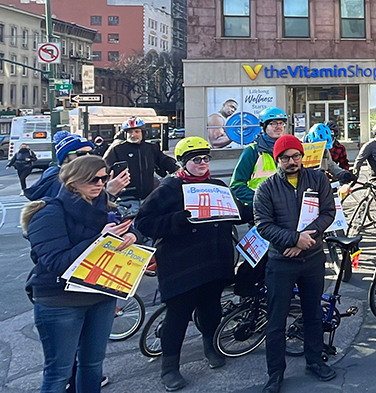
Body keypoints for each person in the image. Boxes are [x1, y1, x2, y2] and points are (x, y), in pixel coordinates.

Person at [23, 155, 141, 393]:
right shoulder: (49, 212)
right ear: (72, 182)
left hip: (101, 296)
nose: (100, 183)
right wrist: (100, 240)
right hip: (60, 300)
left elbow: (135, 231)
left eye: (103, 178)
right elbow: (56, 262)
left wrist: (133, 236)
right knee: (59, 373)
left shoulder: (107, 206)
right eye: (93, 179)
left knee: (92, 365)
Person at [136, 138, 239, 391]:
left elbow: (232, 213)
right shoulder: (169, 188)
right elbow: (144, 222)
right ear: (184, 163)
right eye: (196, 160)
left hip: (213, 260)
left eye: (206, 159)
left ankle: (210, 348)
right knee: (177, 317)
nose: (203, 164)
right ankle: (169, 368)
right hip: (182, 265)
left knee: (211, 309)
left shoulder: (216, 185)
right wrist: (176, 220)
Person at [253, 135, 336, 393]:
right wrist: (292, 239)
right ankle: (275, 374)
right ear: (277, 160)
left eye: (296, 156)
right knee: (276, 321)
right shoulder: (266, 188)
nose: (292, 162)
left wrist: (304, 240)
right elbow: (263, 225)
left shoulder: (318, 179)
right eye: (286, 158)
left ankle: (314, 361)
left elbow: (328, 213)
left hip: (312, 258)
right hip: (281, 262)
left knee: (313, 314)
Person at [26, 131, 130, 201]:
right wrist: (109, 193)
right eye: (81, 154)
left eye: (91, 153)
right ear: (65, 158)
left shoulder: (70, 176)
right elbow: (81, 213)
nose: (88, 157)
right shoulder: (58, 181)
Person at [103, 117, 179, 202]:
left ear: (143, 133)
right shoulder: (117, 149)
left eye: (137, 131)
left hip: (148, 197)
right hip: (125, 198)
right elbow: (106, 167)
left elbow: (164, 161)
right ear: (125, 134)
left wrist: (178, 170)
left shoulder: (151, 148)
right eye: (130, 132)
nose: (133, 135)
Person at [230, 107, 288, 208]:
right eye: (273, 123)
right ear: (264, 126)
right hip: (262, 211)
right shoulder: (252, 151)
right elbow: (237, 185)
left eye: (281, 123)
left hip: (287, 208)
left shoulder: (289, 150)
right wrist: (260, 200)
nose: (278, 127)